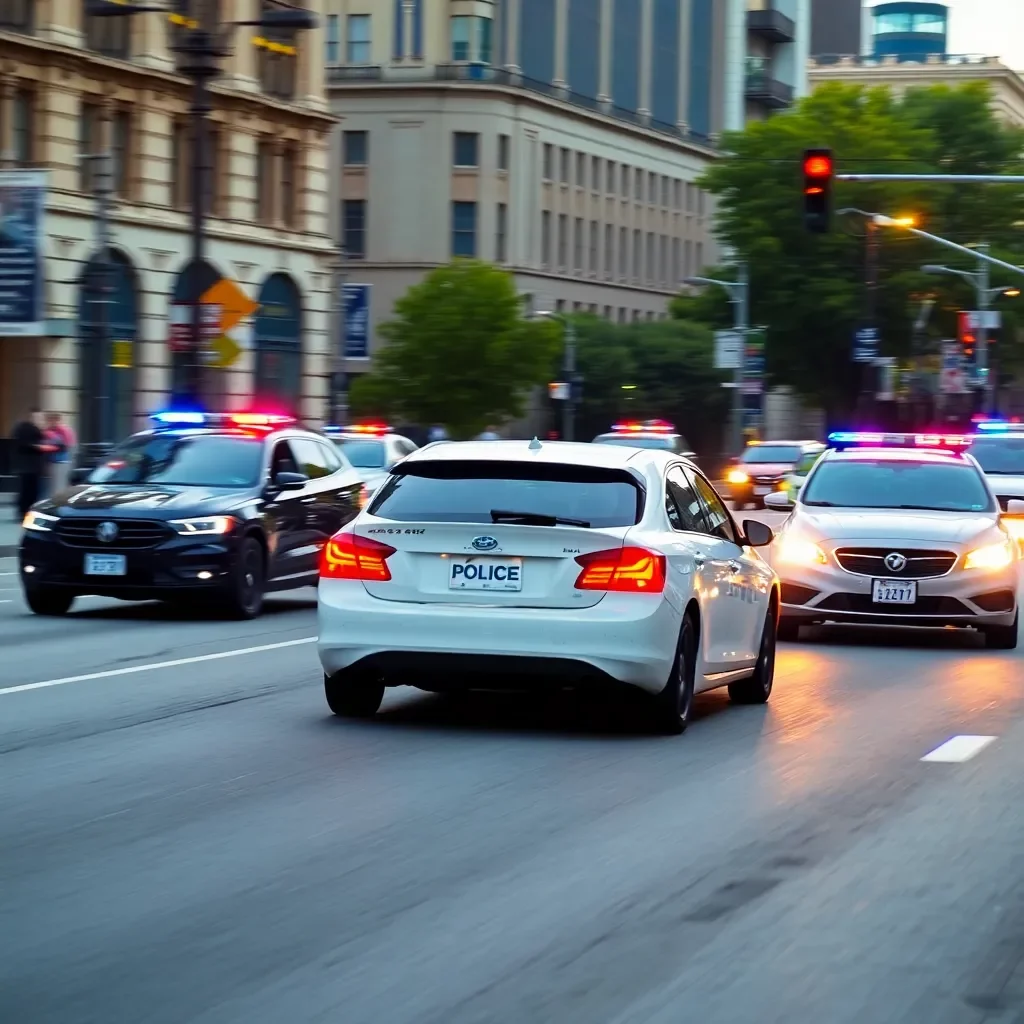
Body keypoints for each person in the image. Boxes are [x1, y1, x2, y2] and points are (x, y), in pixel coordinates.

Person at [11, 408, 53, 519]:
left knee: (31, 491)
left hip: (33, 467)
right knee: (28, 492)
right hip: (28, 466)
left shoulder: (37, 430)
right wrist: (38, 447)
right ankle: (24, 513)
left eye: (40, 417)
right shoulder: (26, 429)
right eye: (37, 417)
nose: (39, 420)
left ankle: (26, 512)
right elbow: (24, 445)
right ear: (32, 417)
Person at [45, 411, 76, 494]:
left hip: (61, 461)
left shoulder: (63, 430)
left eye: (52, 420)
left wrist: (51, 436)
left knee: (59, 486)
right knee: (54, 486)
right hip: (53, 461)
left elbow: (66, 445)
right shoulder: (50, 430)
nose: (50, 423)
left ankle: (59, 504)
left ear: (57, 420)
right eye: (49, 420)